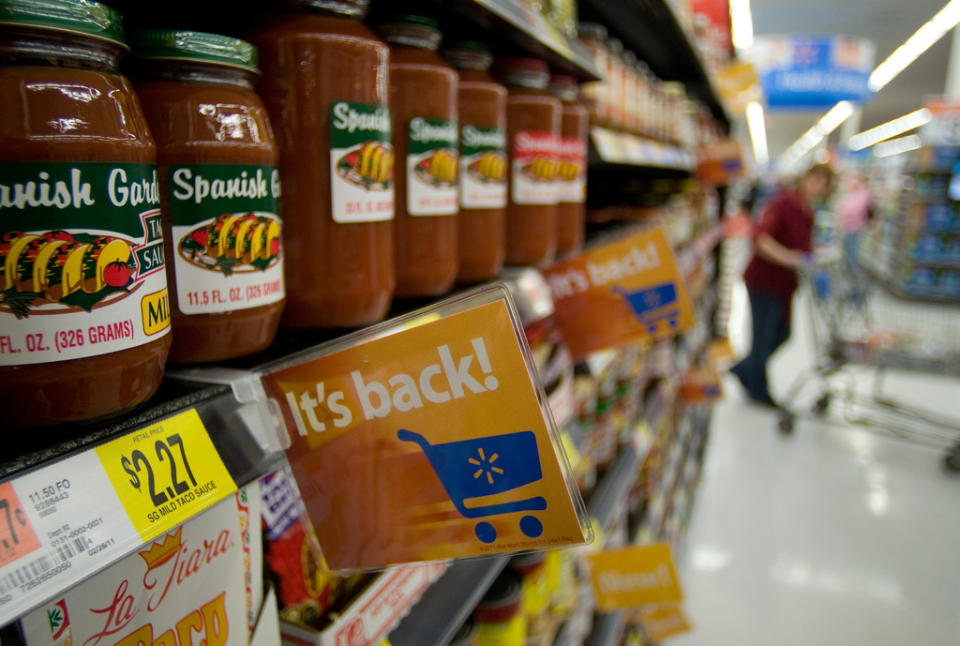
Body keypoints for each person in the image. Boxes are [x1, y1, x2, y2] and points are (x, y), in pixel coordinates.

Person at [730, 163, 835, 407]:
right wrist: (788, 257)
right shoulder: (782, 203)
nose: (818, 186)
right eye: (815, 179)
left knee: (783, 334)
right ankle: (759, 391)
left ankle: (744, 369)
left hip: (786, 284)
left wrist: (817, 255)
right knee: (763, 338)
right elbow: (761, 238)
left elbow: (802, 244)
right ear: (805, 179)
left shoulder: (810, 211)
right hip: (764, 280)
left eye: (824, 182)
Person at [834, 171, 871, 275]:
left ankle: (853, 272)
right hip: (846, 226)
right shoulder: (852, 193)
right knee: (847, 249)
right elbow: (842, 206)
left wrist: (843, 210)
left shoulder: (863, 193)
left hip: (855, 227)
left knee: (852, 250)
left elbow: (854, 210)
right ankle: (848, 269)